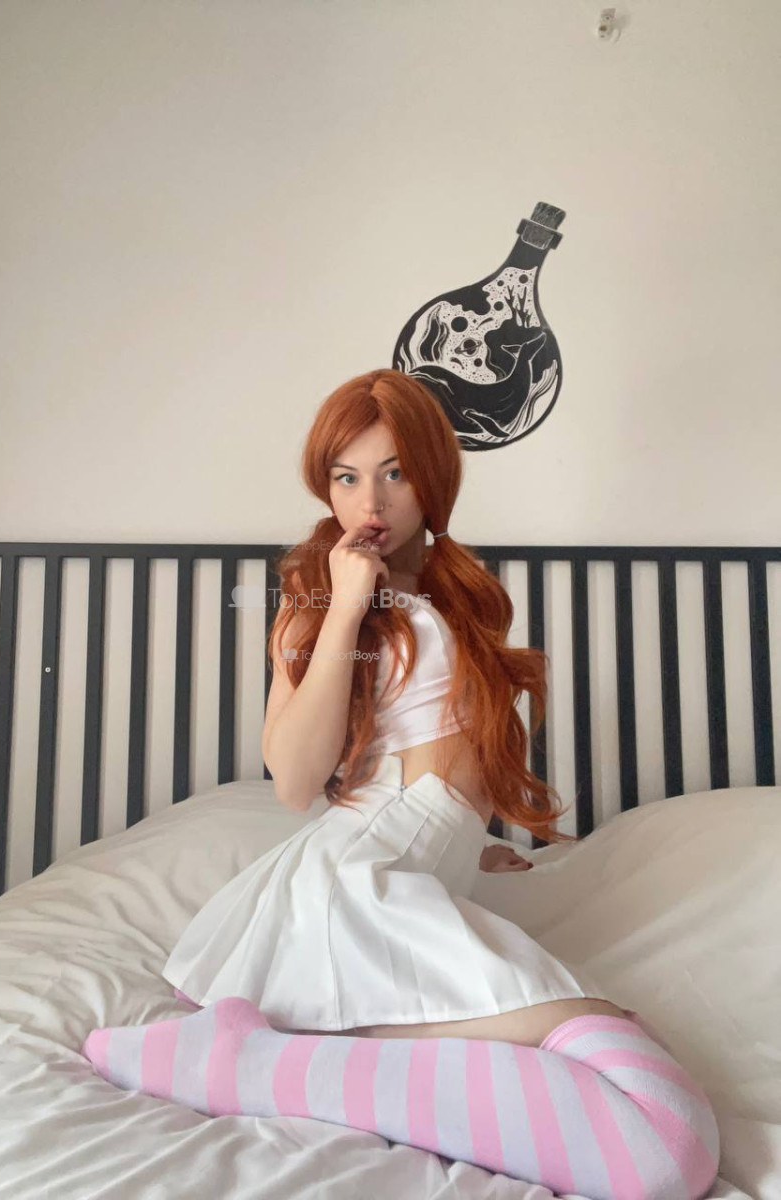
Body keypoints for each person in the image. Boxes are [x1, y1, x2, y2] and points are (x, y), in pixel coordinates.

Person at [84, 369, 720, 1198]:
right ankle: (243, 1066)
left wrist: (470, 844)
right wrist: (348, 608)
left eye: (394, 473)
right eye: (346, 477)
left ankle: (260, 1058)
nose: (369, 502)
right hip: (361, 887)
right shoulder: (319, 599)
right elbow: (295, 780)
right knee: (660, 1126)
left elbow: (430, 745)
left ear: (434, 477)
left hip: (411, 870)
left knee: (650, 1105)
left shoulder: (460, 592)